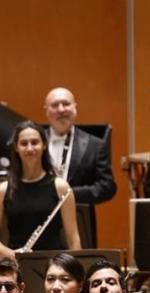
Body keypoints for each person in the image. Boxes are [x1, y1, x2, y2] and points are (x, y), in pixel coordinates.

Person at [0, 120, 80, 257]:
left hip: (53, 268)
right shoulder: (2, 190)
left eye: (35, 142)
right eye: (24, 143)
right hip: (17, 266)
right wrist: (13, 256)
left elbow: (73, 239)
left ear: (44, 145)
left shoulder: (61, 187)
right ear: (16, 147)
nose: (29, 148)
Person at [43, 87, 116, 243]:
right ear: (46, 111)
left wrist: (67, 194)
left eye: (66, 104)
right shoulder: (33, 143)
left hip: (79, 222)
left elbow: (107, 187)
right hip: (39, 221)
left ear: (75, 107)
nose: (61, 109)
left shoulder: (96, 145)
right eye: (55, 105)